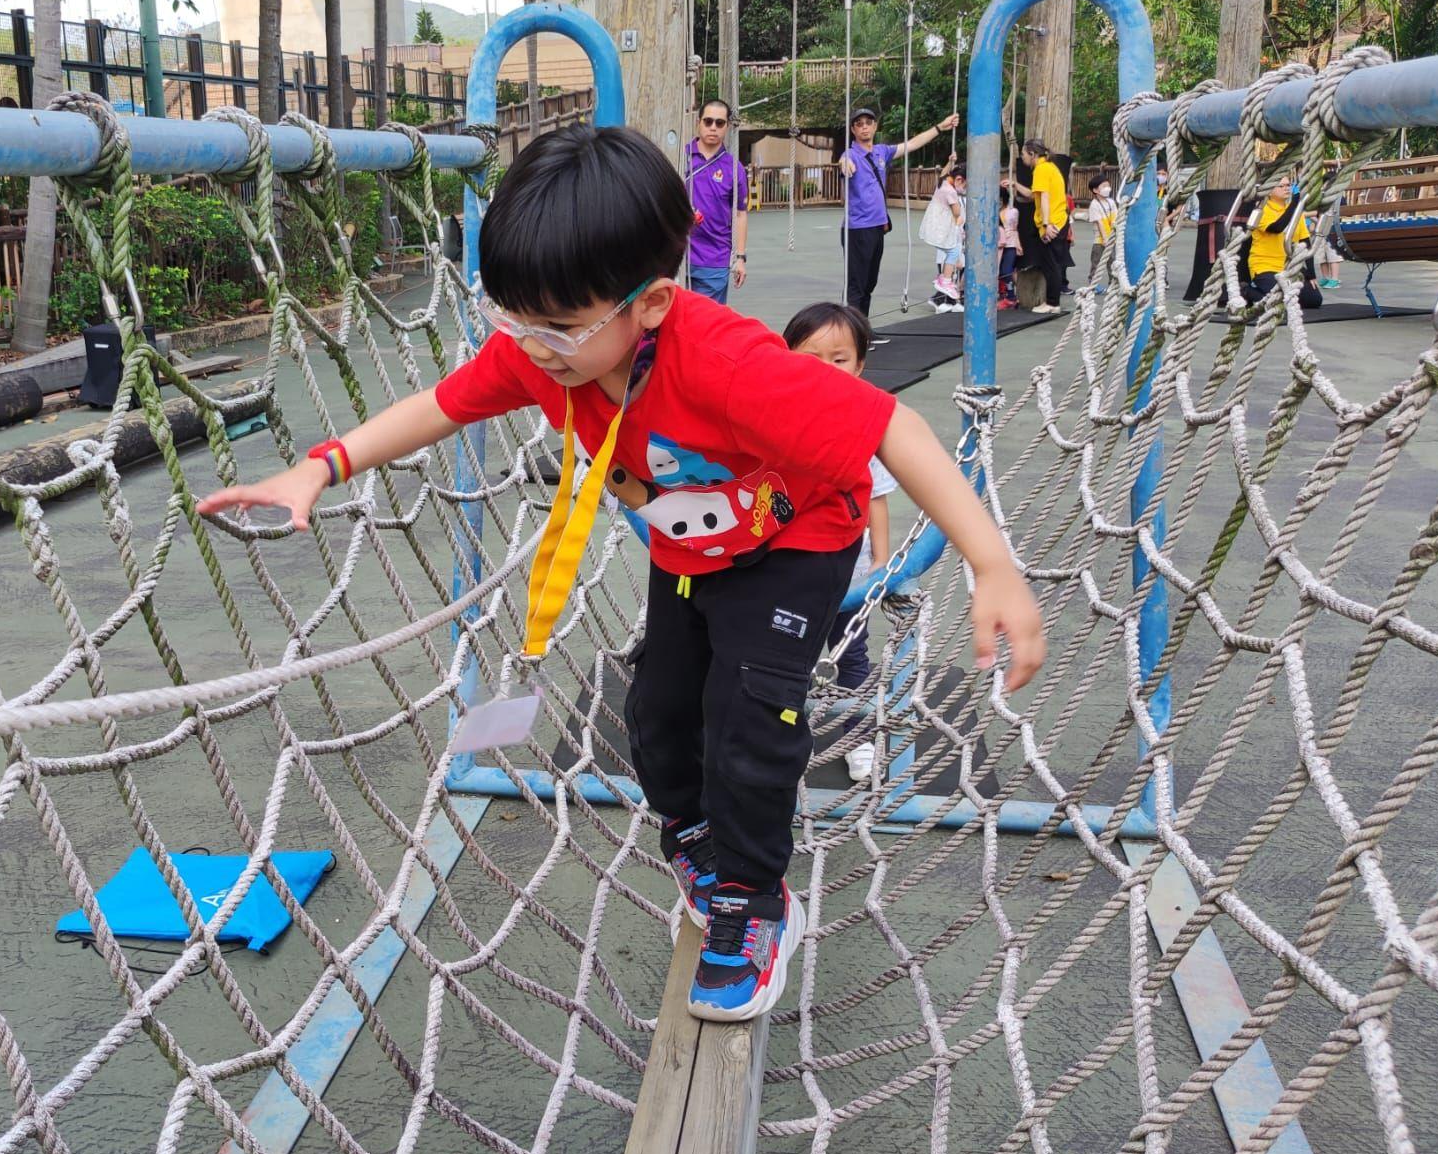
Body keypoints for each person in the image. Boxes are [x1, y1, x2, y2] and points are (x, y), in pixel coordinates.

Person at [197, 124, 1046, 1023]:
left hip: (795, 543)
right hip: (691, 550)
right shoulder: (546, 350)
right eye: (511, 318)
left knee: (748, 721)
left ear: (650, 303)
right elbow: (437, 408)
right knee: (658, 715)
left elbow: (891, 430)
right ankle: (694, 834)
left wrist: (992, 564)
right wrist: (320, 466)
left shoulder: (726, 364)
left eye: (556, 326)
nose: (530, 344)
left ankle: (756, 901)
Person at [783, 302, 898, 783]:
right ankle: (781, 738)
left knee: (850, 656)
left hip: (847, 576)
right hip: (785, 573)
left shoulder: (864, 421)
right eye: (811, 358)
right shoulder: (776, 417)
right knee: (782, 660)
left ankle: (859, 739)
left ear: (860, 365)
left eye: (839, 359)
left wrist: (882, 559)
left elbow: (876, 501)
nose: (826, 370)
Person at [839, 105, 962, 316]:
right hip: (858, 228)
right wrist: (844, 164)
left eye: (868, 123)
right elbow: (844, 161)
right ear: (853, 129)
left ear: (875, 126)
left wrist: (939, 128)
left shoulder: (881, 152)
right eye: (859, 124)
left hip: (877, 226)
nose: (864, 128)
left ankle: (863, 329)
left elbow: (912, 144)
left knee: (869, 281)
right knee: (857, 284)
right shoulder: (851, 154)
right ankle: (853, 333)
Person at [683, 100, 747, 304]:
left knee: (707, 327)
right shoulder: (678, 157)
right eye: (708, 121)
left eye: (719, 123)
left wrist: (740, 257)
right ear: (698, 122)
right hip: (675, 256)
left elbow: (740, 213)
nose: (713, 127)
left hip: (714, 259)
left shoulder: (734, 168)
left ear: (727, 126)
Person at [1008, 139, 1071, 313]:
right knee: (1050, 263)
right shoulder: (1049, 167)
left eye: (1023, 154)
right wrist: (1014, 185)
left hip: (1053, 222)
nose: (1022, 157)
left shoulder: (1042, 169)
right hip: (1057, 220)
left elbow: (1043, 197)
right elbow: (1033, 195)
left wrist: (1046, 224)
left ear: (1032, 154)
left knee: (1052, 264)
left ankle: (1052, 303)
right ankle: (1052, 302)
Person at [921, 164, 968, 310]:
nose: (965, 190)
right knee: (953, 251)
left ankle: (945, 282)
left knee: (953, 252)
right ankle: (945, 281)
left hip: (934, 227)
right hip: (941, 230)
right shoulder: (951, 192)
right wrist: (958, 220)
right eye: (966, 186)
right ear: (959, 179)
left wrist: (949, 162)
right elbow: (957, 213)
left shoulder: (942, 183)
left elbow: (943, 173)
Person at [1084, 177, 1119, 286]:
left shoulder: (1111, 202)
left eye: (1108, 186)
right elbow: (1099, 223)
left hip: (1112, 238)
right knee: (1097, 263)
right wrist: (1104, 238)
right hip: (1100, 241)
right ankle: (1093, 284)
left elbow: (1115, 218)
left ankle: (1113, 284)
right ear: (1095, 190)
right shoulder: (1094, 204)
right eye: (1104, 186)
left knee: (1112, 262)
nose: (1107, 188)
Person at [998, 186, 1023, 309]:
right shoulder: (992, 211)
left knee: (1006, 271)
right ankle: (1009, 295)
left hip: (1010, 244)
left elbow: (1015, 228)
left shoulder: (1012, 211)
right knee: (1002, 272)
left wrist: (1018, 245)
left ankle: (1012, 296)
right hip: (997, 246)